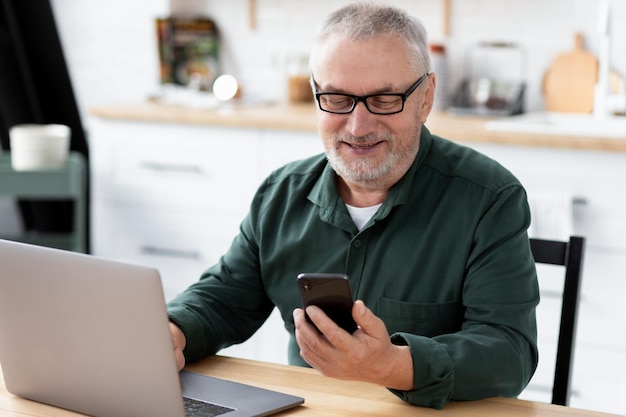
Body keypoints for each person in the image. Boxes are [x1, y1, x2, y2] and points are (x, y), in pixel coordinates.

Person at [167, 2, 539, 409]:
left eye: (383, 99)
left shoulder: (490, 199)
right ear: (315, 95)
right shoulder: (280, 194)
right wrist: (172, 331)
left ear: (426, 97)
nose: (358, 127)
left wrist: (394, 365)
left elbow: (509, 351)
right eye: (338, 99)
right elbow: (223, 300)